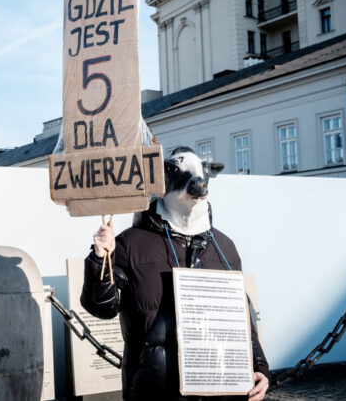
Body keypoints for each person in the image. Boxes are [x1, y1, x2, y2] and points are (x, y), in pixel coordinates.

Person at [81, 148, 269, 401]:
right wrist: (100, 260)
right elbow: (102, 307)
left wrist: (258, 367)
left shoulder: (224, 247)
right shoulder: (129, 243)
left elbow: (241, 317)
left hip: (222, 390)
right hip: (156, 389)